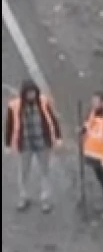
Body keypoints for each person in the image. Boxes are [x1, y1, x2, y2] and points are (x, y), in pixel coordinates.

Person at [5, 78, 62, 213]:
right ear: (23, 93)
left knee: (45, 171)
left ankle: (45, 199)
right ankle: (23, 196)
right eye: (29, 93)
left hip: (42, 143)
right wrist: (7, 144)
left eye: (33, 92)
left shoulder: (43, 102)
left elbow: (53, 119)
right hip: (25, 144)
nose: (32, 96)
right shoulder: (14, 106)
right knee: (24, 172)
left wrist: (58, 137)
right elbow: (9, 126)